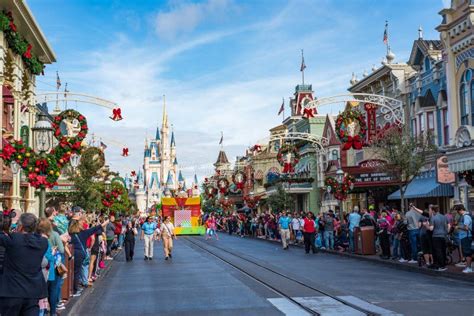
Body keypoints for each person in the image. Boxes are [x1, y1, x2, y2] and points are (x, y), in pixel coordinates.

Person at [0, 213, 48, 316]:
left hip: (12, 292)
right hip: (32, 293)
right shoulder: (43, 242)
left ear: (20, 226)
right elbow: (34, 237)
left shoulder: (13, 240)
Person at [69, 217, 108, 297]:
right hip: (81, 254)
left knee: (73, 272)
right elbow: (96, 228)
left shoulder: (71, 234)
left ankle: (73, 288)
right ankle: (75, 290)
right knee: (77, 272)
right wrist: (106, 222)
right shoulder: (84, 233)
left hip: (73, 253)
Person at [428, 205, 449, 271]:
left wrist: (426, 225)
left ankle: (441, 266)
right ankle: (444, 264)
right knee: (443, 250)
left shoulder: (433, 218)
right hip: (443, 235)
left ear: (433, 211)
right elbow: (448, 225)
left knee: (438, 251)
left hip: (436, 236)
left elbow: (431, 229)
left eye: (432, 211)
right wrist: (446, 232)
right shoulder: (444, 216)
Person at [454, 204, 472, 273]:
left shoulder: (466, 216)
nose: (458, 213)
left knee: (467, 253)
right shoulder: (465, 216)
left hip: (466, 236)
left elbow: (466, 228)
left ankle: (469, 268)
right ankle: (468, 266)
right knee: (467, 252)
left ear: (461, 210)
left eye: (458, 212)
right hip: (465, 236)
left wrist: (458, 227)